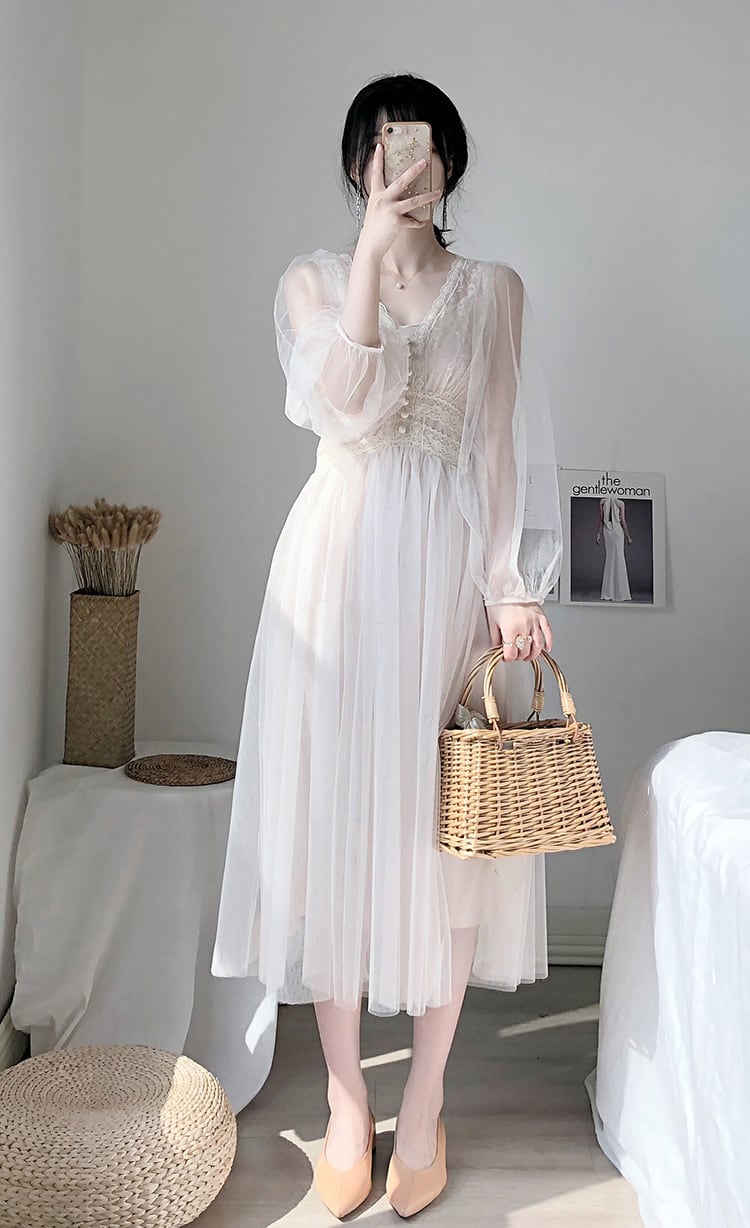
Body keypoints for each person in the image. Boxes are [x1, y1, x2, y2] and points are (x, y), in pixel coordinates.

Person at [211, 72, 563, 1218]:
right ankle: (347, 1099)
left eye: (418, 146)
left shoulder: (496, 291)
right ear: (359, 163)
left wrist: (510, 585)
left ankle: (424, 1105)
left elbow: (499, 447)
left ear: (446, 161)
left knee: (447, 841)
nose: (402, 163)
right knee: (339, 838)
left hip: (445, 578)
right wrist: (369, 251)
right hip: (337, 576)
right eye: (381, 146)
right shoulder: (313, 281)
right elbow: (346, 403)